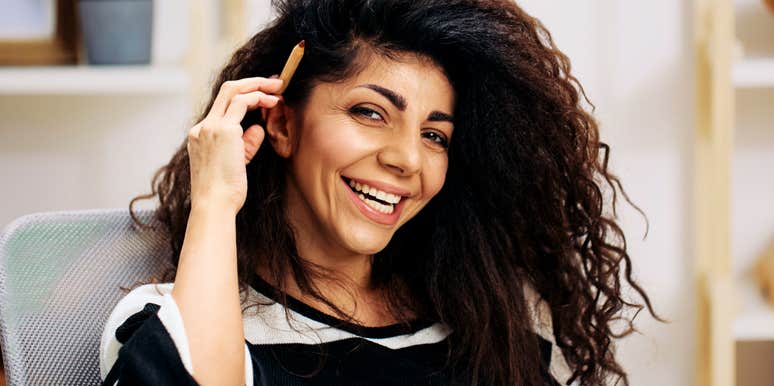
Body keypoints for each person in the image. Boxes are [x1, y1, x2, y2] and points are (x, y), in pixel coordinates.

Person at [99, 0, 661, 385]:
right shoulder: (172, 320)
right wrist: (215, 201)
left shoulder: (480, 322)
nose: (407, 158)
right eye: (370, 113)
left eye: (435, 136)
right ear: (283, 125)